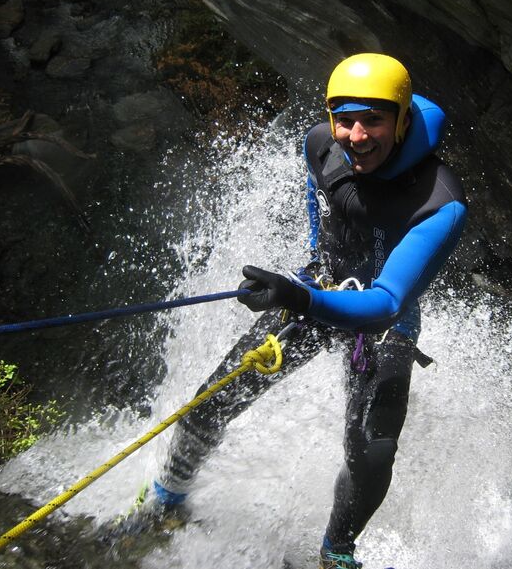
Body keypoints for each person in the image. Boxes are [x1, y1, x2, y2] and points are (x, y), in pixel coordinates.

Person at [138, 53, 467, 569]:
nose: (356, 136)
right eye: (346, 119)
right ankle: (167, 500)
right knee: (210, 401)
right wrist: (311, 268)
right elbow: (323, 204)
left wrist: (299, 297)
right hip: (321, 289)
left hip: (383, 323)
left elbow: (386, 300)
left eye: (374, 120)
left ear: (403, 119)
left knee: (371, 453)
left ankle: (336, 552)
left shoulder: (439, 200)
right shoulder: (320, 144)